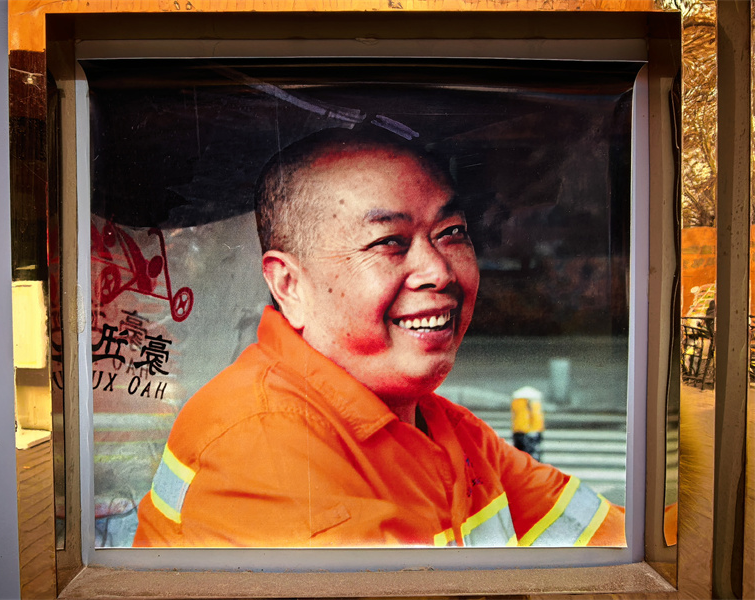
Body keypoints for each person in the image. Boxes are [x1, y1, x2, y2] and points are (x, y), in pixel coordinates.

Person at [133, 129, 625, 548]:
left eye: (451, 232)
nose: (438, 271)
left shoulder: (440, 427)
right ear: (289, 285)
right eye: (389, 242)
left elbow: (616, 544)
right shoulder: (260, 446)